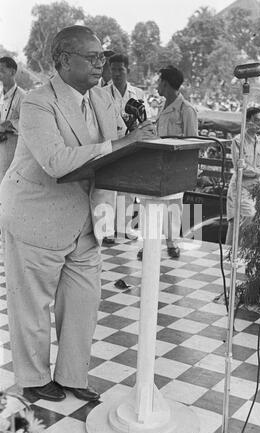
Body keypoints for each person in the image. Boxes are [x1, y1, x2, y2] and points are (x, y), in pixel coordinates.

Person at [0, 25, 155, 402]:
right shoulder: (38, 101)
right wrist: (122, 142)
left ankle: (72, 376)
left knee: (84, 302)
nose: (101, 64)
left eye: (103, 56)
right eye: (92, 57)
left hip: (87, 219)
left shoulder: (101, 99)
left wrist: (141, 137)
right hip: (38, 214)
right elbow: (56, 161)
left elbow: (118, 143)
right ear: (64, 60)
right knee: (33, 304)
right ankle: (34, 379)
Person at [137, 65, 198, 260]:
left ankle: (172, 243)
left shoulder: (186, 109)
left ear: (165, 83)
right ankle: (148, 243)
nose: (157, 86)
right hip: (157, 164)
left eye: (159, 81)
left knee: (173, 206)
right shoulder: (162, 107)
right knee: (150, 205)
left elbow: (193, 142)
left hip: (176, 166)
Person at [103, 53, 149, 245]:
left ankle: (124, 228)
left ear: (127, 70)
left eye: (120, 69)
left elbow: (145, 120)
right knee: (107, 190)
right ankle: (106, 230)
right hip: (111, 144)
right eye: (113, 69)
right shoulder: (102, 92)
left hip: (131, 146)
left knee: (128, 190)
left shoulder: (137, 93)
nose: (116, 73)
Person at [225, 107, 260, 246]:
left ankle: (231, 256)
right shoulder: (238, 140)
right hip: (240, 187)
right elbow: (241, 168)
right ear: (248, 121)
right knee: (247, 218)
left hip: (255, 188)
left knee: (236, 223)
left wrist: (258, 171)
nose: (259, 124)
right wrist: (258, 171)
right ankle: (238, 254)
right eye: (256, 120)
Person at [0, 57, 26, 182]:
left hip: (13, 151)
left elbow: (29, 124)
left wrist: (11, 123)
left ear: (12, 72)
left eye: (1, 70)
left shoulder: (23, 97)